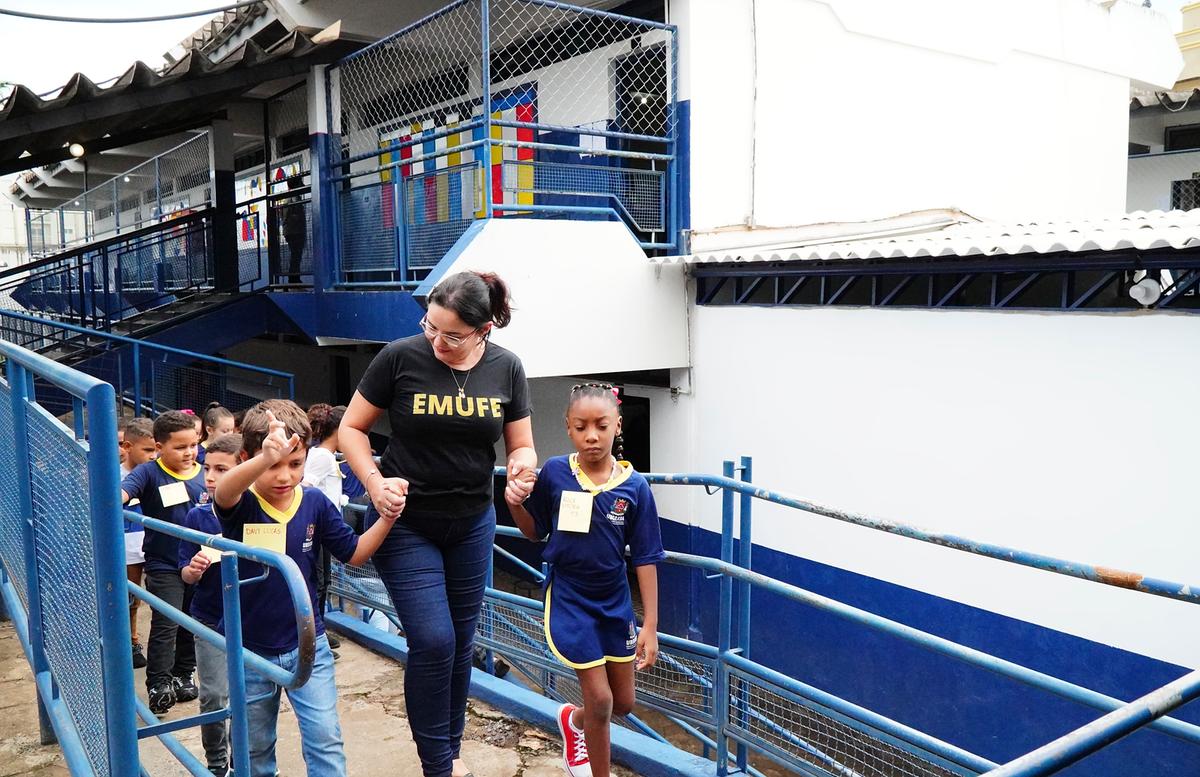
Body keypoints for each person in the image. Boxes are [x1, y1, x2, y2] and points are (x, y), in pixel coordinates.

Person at [340, 270, 536, 777]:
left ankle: (448, 750)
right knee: (433, 641)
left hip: (472, 520)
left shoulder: (506, 367)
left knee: (461, 642)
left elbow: (521, 443)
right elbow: (351, 428)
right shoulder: (400, 357)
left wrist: (522, 468)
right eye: (431, 327)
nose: (438, 342)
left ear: (484, 330)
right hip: (404, 521)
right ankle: (438, 767)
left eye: (452, 335)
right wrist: (375, 482)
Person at [214, 399, 400, 777]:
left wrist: (387, 517)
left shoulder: (313, 502)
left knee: (325, 738)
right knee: (254, 747)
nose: (284, 476)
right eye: (273, 465)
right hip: (250, 650)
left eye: (294, 464)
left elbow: (354, 553)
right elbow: (224, 493)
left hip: (307, 645)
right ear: (248, 457)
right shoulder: (243, 501)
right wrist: (265, 458)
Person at [504, 383, 664, 777]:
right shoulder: (557, 472)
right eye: (581, 427)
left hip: (614, 601)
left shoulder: (635, 487)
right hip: (570, 598)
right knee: (601, 699)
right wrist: (515, 505)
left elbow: (645, 557)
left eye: (601, 425)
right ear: (569, 428)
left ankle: (573, 721)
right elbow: (533, 531)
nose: (591, 435)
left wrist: (651, 626)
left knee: (622, 703)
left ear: (617, 426)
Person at [121, 410, 205, 714]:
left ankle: (184, 673)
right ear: (159, 447)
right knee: (166, 622)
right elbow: (124, 490)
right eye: (180, 447)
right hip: (163, 562)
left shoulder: (202, 473)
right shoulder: (149, 472)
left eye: (193, 445)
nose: (189, 452)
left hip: (199, 563)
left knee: (190, 622)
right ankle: (158, 682)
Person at [179, 432, 242, 777]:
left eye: (222, 469)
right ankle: (217, 764)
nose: (212, 477)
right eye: (208, 468)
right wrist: (193, 569)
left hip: (253, 620)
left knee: (251, 698)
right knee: (214, 696)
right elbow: (185, 575)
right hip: (210, 619)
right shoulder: (196, 516)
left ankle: (244, 762)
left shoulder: (257, 515)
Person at [304, 402, 348, 652]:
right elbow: (308, 486)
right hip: (318, 528)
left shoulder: (325, 455)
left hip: (325, 526)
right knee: (319, 580)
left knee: (324, 579)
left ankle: (318, 628)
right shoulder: (322, 456)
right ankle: (314, 634)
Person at [121, 417, 157, 669]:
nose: (153, 455)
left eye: (156, 449)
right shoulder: (113, 475)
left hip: (154, 545)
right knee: (130, 599)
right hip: (127, 549)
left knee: (160, 599)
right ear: (126, 446)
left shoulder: (158, 473)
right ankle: (131, 641)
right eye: (147, 450)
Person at [282, 179, 307, 285]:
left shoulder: (294, 198)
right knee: (295, 255)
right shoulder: (291, 198)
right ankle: (293, 279)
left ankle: (295, 278)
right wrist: (298, 218)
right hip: (294, 231)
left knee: (296, 255)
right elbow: (286, 217)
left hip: (294, 231)